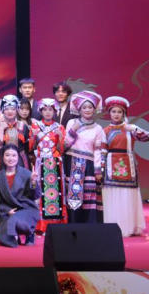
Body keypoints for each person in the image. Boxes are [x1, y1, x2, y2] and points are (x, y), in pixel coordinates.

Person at [101, 96, 149, 237]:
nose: (116, 114)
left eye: (119, 112)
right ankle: (113, 226)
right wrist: (101, 169)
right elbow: (102, 151)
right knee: (112, 197)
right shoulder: (105, 131)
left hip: (128, 167)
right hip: (110, 168)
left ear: (124, 114)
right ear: (109, 113)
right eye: (113, 111)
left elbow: (147, 137)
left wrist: (135, 128)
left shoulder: (130, 129)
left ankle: (130, 226)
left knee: (127, 198)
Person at [64, 91, 106, 224]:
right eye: (84, 107)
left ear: (94, 109)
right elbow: (65, 144)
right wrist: (74, 129)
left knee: (88, 195)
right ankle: (73, 224)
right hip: (72, 162)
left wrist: (98, 170)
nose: (87, 110)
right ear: (79, 109)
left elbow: (98, 151)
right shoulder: (71, 122)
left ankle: (89, 225)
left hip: (88, 165)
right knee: (73, 195)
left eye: (90, 107)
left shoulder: (98, 128)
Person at [30, 98, 67, 233]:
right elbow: (31, 148)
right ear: (40, 111)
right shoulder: (35, 126)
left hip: (55, 164)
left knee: (56, 194)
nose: (47, 112)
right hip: (40, 163)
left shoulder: (59, 127)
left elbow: (61, 150)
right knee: (41, 193)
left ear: (54, 111)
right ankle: (41, 226)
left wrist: (60, 138)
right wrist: (33, 137)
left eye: (50, 109)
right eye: (44, 109)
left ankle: (56, 225)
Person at [0, 144, 40, 247]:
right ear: (3, 157)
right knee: (4, 236)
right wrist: (7, 211)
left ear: (18, 157)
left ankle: (29, 232)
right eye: (7, 155)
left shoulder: (27, 174)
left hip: (26, 208)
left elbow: (35, 196)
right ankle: (16, 234)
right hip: (8, 210)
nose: (10, 158)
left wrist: (33, 182)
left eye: (14, 155)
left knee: (15, 220)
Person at [0, 95, 31, 171]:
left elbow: (28, 148)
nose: (10, 111)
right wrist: (1, 128)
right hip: (2, 161)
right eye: (6, 109)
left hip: (21, 161)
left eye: (13, 109)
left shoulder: (23, 126)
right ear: (2, 110)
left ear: (17, 110)